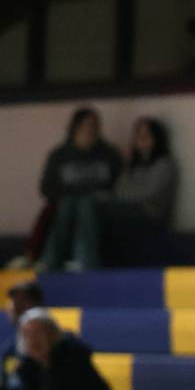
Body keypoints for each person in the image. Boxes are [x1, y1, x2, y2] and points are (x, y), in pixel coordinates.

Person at [39, 106, 122, 271]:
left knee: (85, 204)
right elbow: (46, 188)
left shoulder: (110, 154)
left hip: (101, 209)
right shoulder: (59, 155)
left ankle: (85, 262)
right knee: (70, 204)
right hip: (66, 208)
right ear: (74, 127)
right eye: (84, 125)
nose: (89, 130)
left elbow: (120, 185)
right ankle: (50, 262)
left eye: (93, 126)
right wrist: (73, 195)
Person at [97, 117, 179, 266]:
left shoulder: (164, 164)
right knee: (91, 207)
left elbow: (148, 193)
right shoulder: (131, 165)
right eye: (138, 135)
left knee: (101, 209)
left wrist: (127, 193)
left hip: (151, 214)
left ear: (156, 138)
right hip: (127, 211)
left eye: (146, 135)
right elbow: (119, 189)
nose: (142, 139)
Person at [15, 309, 111, 390]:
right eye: (27, 335)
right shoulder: (27, 369)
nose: (33, 340)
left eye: (38, 333)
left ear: (54, 334)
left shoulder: (74, 361)